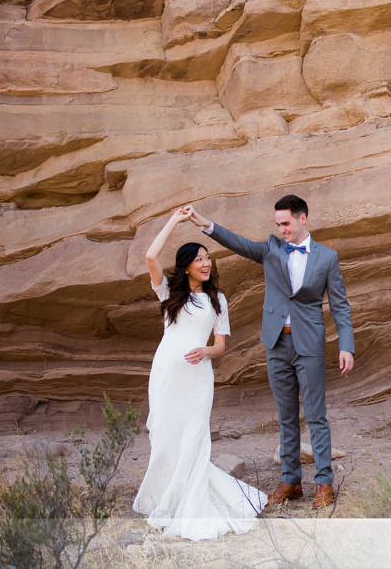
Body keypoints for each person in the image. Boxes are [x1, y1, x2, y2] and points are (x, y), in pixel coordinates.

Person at [186, 195, 354, 509]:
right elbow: (237, 242)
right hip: (276, 343)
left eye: (286, 223)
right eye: (277, 224)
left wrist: (346, 346)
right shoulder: (270, 248)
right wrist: (205, 224)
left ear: (303, 219)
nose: (281, 229)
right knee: (286, 417)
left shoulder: (327, 258)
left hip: (310, 345)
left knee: (316, 417)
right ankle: (290, 481)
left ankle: (323, 483)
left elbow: (341, 308)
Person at [132, 206, 267, 540]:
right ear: (187, 266)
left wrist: (207, 350)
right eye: (199, 259)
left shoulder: (217, 299)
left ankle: (190, 502)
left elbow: (220, 345)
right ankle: (167, 497)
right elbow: (150, 256)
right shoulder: (169, 294)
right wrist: (176, 221)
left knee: (193, 437)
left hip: (198, 377)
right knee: (164, 436)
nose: (206, 264)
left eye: (208, 258)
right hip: (166, 373)